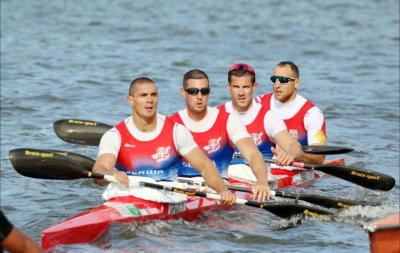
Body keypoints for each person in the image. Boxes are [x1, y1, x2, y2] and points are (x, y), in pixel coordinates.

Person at [92, 77, 236, 205]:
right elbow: (99, 169)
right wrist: (112, 174)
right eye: (143, 95)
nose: (150, 100)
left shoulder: (176, 131)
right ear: (130, 100)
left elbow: (205, 166)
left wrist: (223, 190)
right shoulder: (115, 135)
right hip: (130, 198)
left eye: (153, 95)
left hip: (168, 198)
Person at [169, 69, 270, 202]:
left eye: (204, 91)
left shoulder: (228, 121)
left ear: (209, 92)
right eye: (193, 92)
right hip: (182, 188)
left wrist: (262, 182)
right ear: (183, 92)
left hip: (219, 190)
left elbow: (253, 154)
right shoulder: (171, 124)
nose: (199, 96)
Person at [219, 63, 306, 166]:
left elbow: (293, 145)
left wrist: (291, 153)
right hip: (225, 176)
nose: (241, 92)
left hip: (259, 176)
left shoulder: (268, 117)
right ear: (229, 87)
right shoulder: (217, 114)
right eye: (236, 87)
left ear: (254, 87)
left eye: (246, 87)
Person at [255, 61, 327, 164]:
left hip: (294, 169)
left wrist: (297, 155)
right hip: (261, 164)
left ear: (296, 83)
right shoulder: (258, 103)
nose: (277, 85)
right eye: (274, 79)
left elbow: (319, 158)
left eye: (283, 80)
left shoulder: (312, 113)